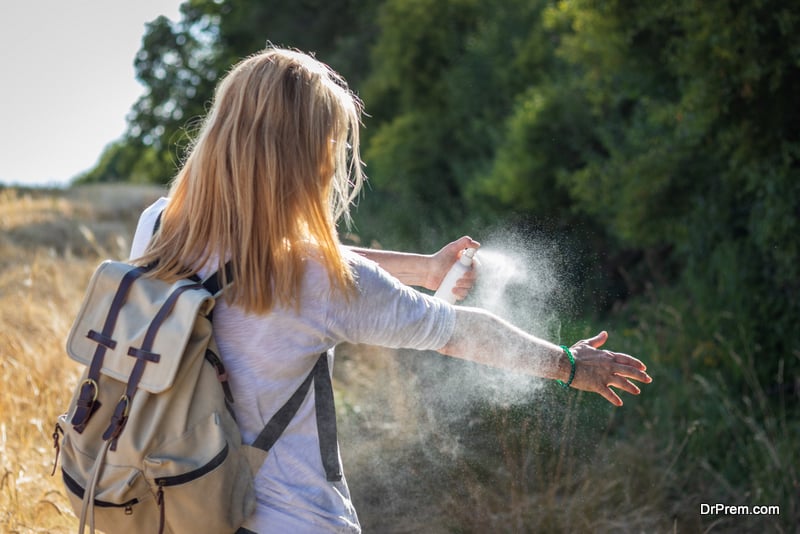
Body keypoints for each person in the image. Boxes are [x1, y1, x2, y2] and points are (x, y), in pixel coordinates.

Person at [130, 46, 651, 534]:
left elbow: (279, 255)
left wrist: (424, 269)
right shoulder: (316, 278)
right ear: (306, 152)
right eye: (330, 141)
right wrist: (571, 365)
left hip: (176, 509)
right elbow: (457, 331)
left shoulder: (160, 225)